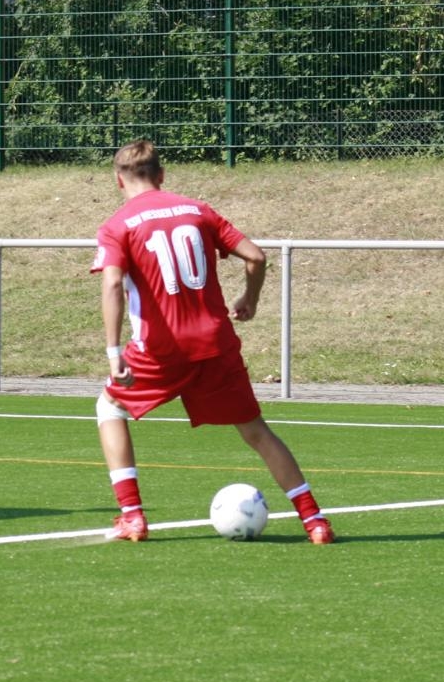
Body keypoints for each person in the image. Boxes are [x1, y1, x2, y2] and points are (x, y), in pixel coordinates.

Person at [90, 139, 334, 544]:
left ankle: (132, 516)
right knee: (255, 431)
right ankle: (315, 521)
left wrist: (114, 352)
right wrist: (250, 299)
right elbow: (256, 256)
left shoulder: (118, 225)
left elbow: (113, 283)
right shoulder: (197, 210)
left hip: (161, 349)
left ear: (118, 180)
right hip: (216, 343)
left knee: (109, 406)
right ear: (162, 174)